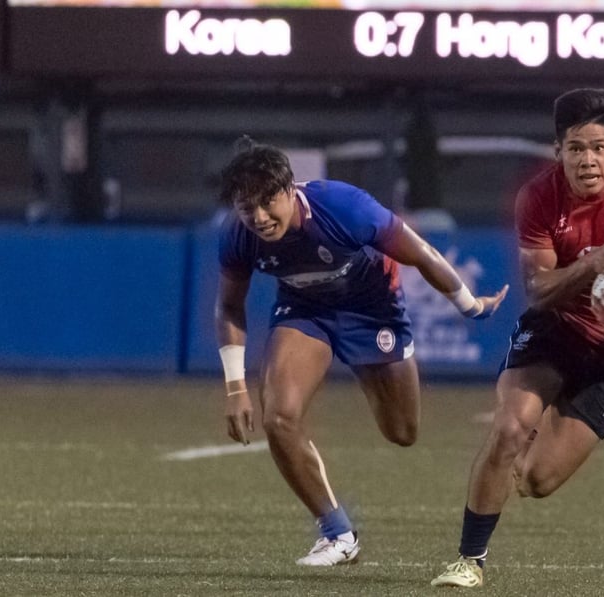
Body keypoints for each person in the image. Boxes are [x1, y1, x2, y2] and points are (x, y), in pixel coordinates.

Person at [431, 88, 604, 588]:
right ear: (558, 152)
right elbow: (537, 289)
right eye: (575, 148)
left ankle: (529, 444)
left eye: (598, 147)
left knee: (537, 481)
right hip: (556, 328)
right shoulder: (538, 197)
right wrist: (591, 264)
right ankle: (469, 561)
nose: (587, 160)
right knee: (509, 429)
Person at [214, 137, 509, 566]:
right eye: (247, 207)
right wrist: (235, 387)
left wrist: (470, 305)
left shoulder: (344, 207)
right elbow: (228, 306)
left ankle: (374, 373)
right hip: (304, 312)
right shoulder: (239, 235)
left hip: (373, 310)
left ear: (290, 189)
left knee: (402, 432)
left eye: (267, 203)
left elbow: (422, 254)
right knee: (278, 417)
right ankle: (338, 534)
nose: (259, 217)